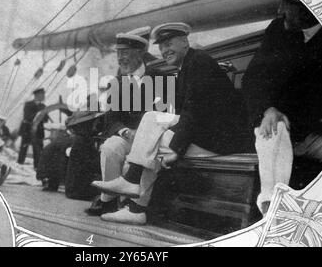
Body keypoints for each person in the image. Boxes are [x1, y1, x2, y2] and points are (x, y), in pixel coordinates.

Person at [92, 22, 251, 225]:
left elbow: (193, 111)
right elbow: (185, 113)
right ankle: (132, 190)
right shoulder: (189, 65)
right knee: (151, 120)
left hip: (221, 140)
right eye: (161, 46)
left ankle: (136, 205)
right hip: (206, 133)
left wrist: (177, 147)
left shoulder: (197, 62)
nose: (165, 50)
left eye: (169, 44)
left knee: (154, 141)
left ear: (185, 42)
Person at [242, 0, 322, 215]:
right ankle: (270, 208)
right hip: (279, 129)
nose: (279, 11)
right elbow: (253, 79)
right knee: (272, 128)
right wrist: (268, 109)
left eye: (286, 7)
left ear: (309, 8)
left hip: (314, 132)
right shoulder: (277, 31)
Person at [85, 27, 170, 216]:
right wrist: (124, 131)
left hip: (151, 139)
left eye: (126, 53)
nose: (121, 58)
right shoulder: (117, 82)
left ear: (140, 53)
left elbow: (165, 113)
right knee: (109, 148)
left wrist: (140, 134)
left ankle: (132, 206)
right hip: (128, 135)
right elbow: (112, 118)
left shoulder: (160, 78)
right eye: (119, 54)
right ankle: (108, 200)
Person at [17, 88, 49, 168]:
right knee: (23, 148)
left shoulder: (43, 106)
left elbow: (46, 119)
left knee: (38, 150)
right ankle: (19, 165)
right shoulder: (28, 104)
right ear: (37, 95)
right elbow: (27, 116)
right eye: (42, 94)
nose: (44, 96)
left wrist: (42, 115)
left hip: (39, 131)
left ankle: (37, 167)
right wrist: (39, 115)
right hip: (27, 129)